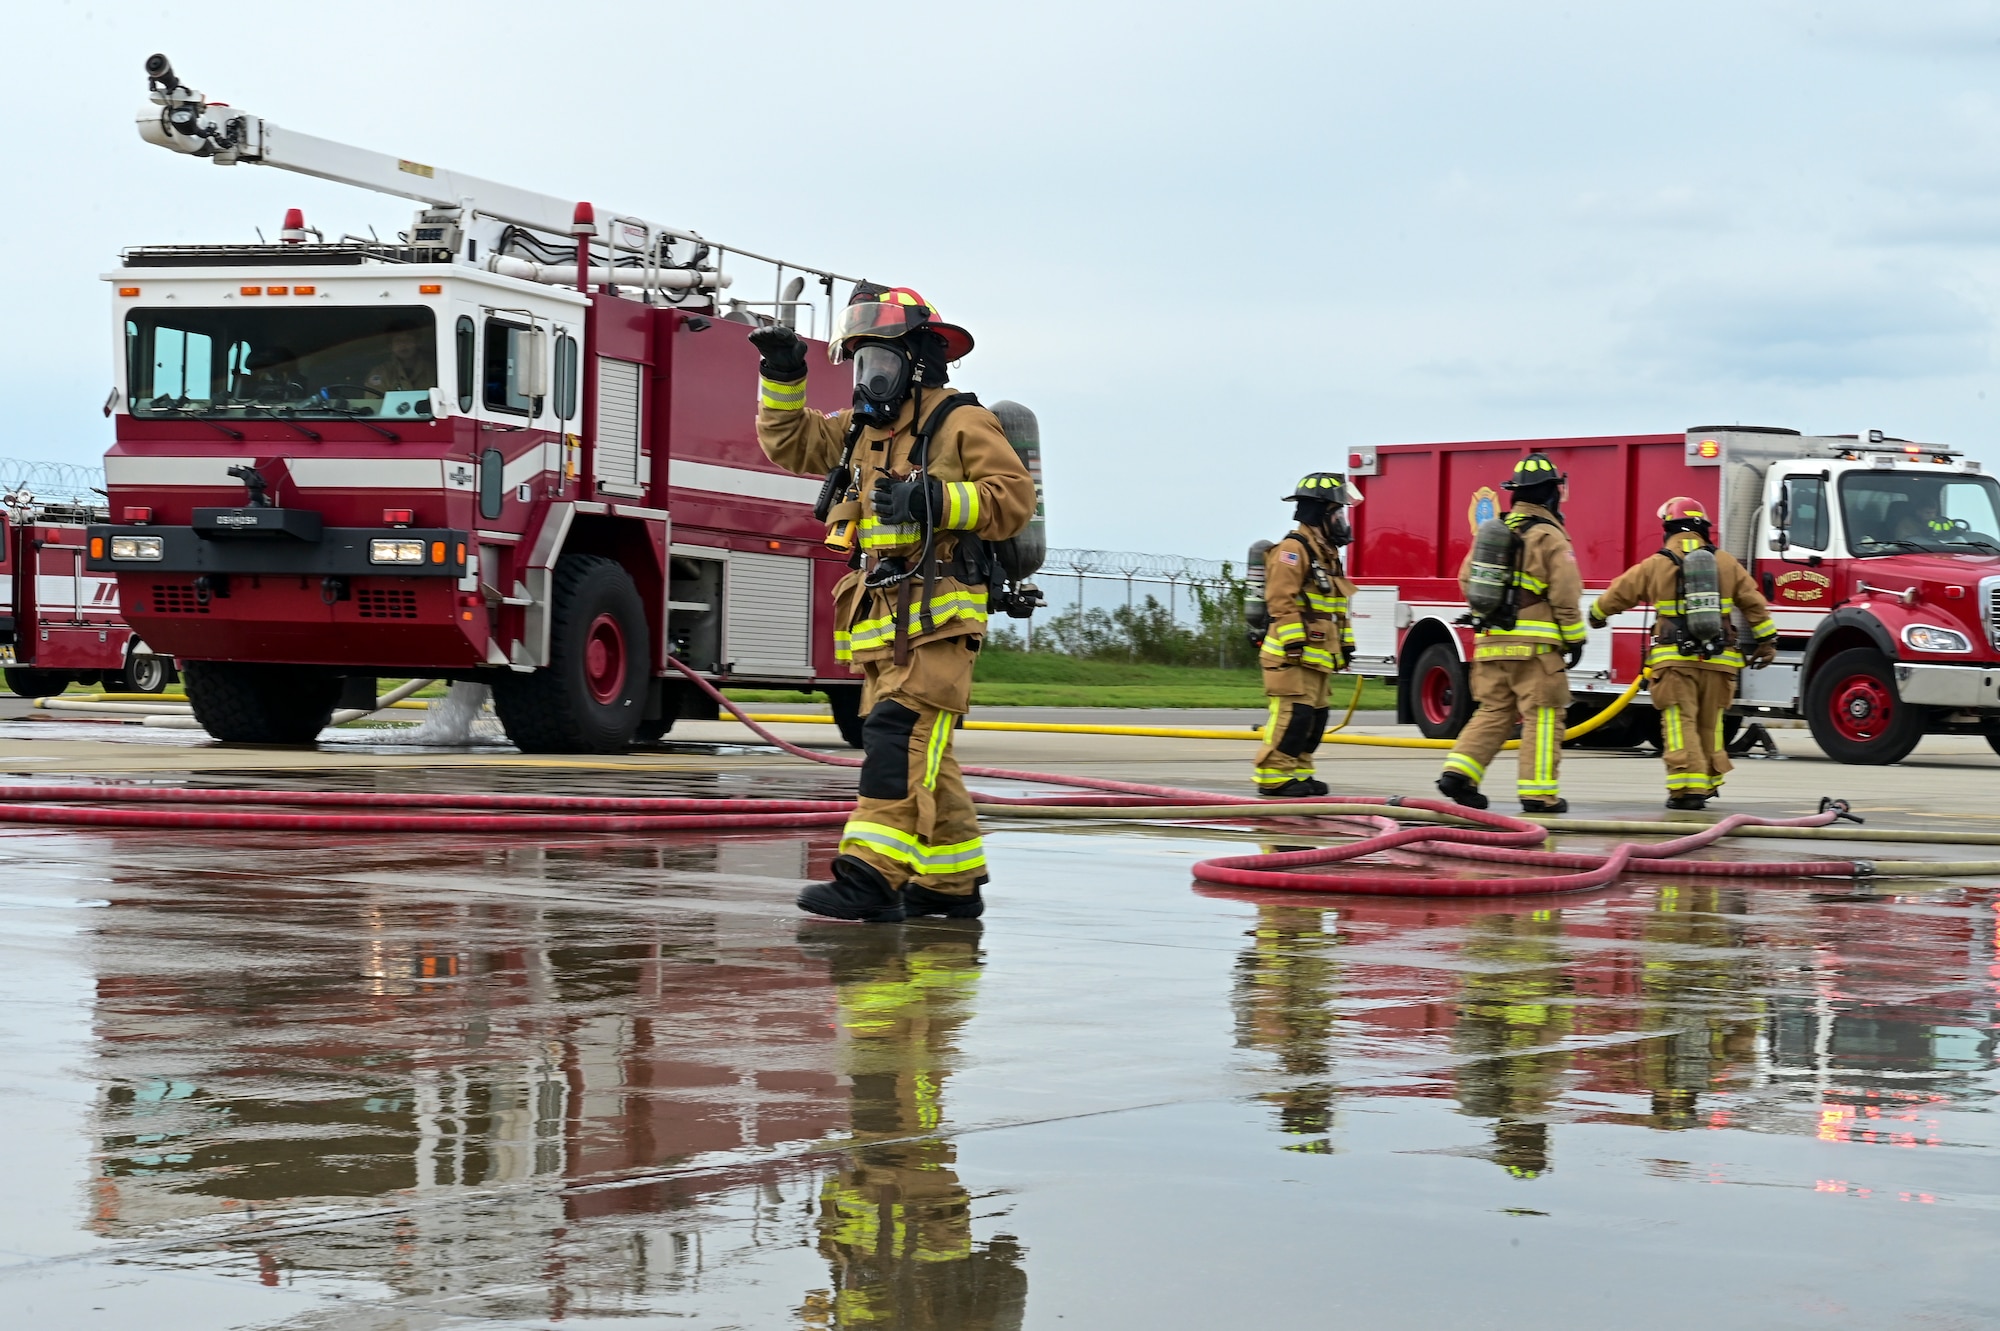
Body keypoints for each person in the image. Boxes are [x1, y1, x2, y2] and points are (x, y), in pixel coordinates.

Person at [750, 288, 1035, 922]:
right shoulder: (862, 432)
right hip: (883, 623)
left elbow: (1012, 498)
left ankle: (870, 876)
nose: (867, 378)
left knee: (897, 738)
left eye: (879, 362)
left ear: (918, 360)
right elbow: (790, 443)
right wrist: (783, 375)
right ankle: (950, 882)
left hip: (939, 619)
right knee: (924, 750)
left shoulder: (960, 422)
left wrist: (933, 500)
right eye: (859, 364)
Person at [1588, 496, 1776, 809]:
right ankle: (1707, 782)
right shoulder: (1726, 563)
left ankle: (1686, 790)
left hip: (1675, 663)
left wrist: (1596, 615)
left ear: (1668, 528)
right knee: (1710, 725)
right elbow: (1753, 603)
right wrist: (1767, 642)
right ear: (1704, 530)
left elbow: (1618, 593)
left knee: (1680, 724)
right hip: (1720, 661)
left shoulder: (1656, 564)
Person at [1436, 452, 1586, 814]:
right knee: (1543, 715)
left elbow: (1465, 580)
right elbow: (1566, 593)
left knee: (1493, 711)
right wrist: (1574, 636)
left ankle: (1459, 772)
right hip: (1534, 651)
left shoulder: (1492, 534)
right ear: (1550, 494)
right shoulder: (1550, 538)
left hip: (1490, 644)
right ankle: (1539, 793)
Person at [1252, 472, 1360, 797]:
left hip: (1317, 657)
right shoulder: (1292, 550)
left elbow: (1335, 607)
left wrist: (1345, 646)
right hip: (1291, 655)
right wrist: (1295, 643)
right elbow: (1281, 601)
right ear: (1317, 514)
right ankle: (1273, 776)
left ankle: (1299, 772)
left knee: (1315, 718)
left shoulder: (1327, 556)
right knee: (1293, 717)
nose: (1342, 521)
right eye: (1336, 513)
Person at [365, 325, 434, 395]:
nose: (403, 344)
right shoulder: (380, 372)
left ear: (417, 343)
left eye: (408, 340)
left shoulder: (432, 371)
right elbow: (373, 402)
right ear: (390, 345)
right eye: (398, 340)